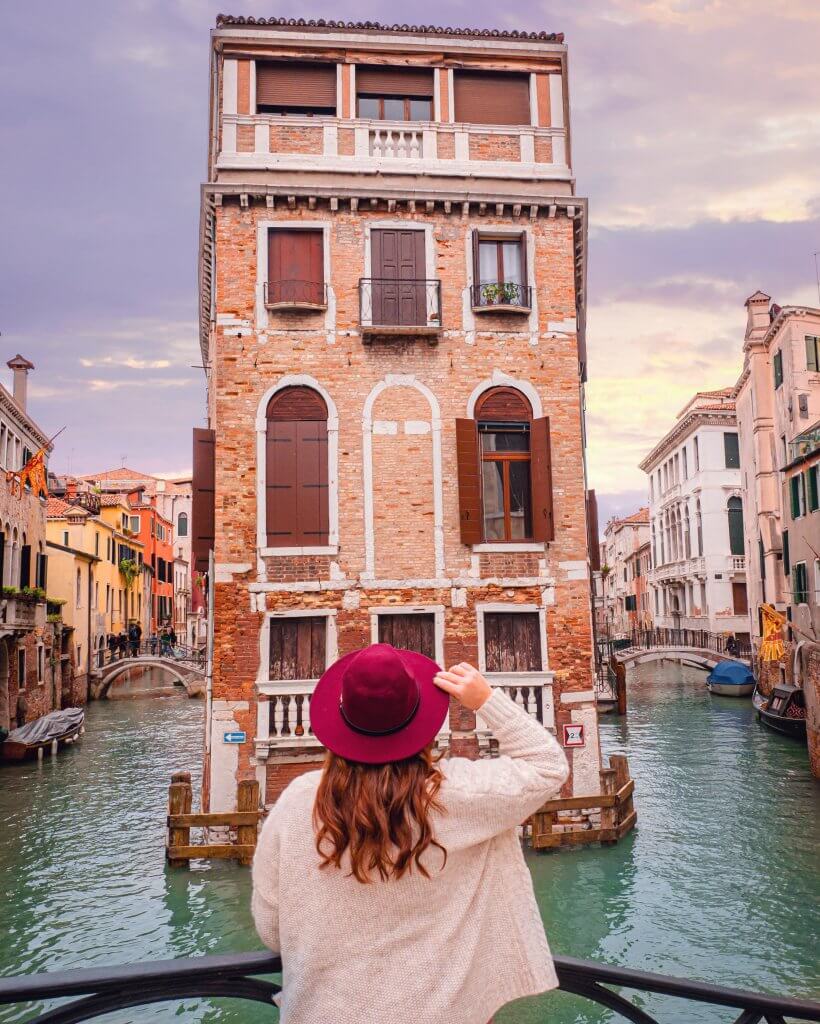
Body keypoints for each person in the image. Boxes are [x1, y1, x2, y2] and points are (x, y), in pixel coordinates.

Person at [252, 644, 569, 1024]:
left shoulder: (298, 802)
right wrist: (486, 700)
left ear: (340, 721)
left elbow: (272, 927)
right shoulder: (459, 794)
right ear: (422, 721)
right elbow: (548, 766)